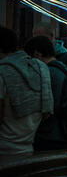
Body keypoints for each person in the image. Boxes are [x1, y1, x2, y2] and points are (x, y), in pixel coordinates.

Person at [0, 27, 53, 158]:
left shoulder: (2, 71)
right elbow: (47, 112)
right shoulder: (41, 68)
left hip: (4, 150)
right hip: (29, 148)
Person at [23, 36, 67, 151]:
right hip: (65, 133)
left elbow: (49, 108)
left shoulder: (49, 73)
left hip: (50, 136)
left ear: (37, 54)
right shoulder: (64, 69)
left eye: (29, 58)